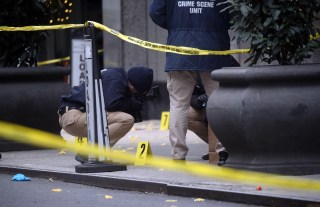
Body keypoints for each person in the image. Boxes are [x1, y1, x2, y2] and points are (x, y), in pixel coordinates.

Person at [149, 0, 234, 162]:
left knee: (178, 105)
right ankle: (223, 151)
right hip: (214, 48)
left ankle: (178, 154)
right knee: (221, 102)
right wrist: (216, 26)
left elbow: (155, 12)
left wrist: (177, 27)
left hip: (180, 51)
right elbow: (234, 13)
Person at [58, 67, 153, 163]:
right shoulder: (116, 79)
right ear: (133, 85)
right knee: (126, 120)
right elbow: (111, 105)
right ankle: (90, 152)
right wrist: (134, 103)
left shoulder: (116, 77)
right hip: (74, 117)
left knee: (124, 117)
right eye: (137, 92)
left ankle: (98, 154)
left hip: (74, 115)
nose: (135, 94)